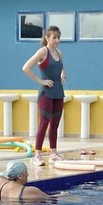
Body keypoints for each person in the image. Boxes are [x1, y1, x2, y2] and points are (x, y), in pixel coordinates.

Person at [22, 26, 67, 166]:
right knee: (44, 123)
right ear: (47, 38)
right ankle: (37, 155)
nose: (57, 40)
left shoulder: (60, 53)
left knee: (55, 124)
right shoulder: (42, 51)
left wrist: (63, 75)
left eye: (58, 37)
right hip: (46, 94)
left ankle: (53, 153)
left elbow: (61, 68)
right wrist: (41, 81)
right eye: (54, 37)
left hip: (58, 93)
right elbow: (26, 67)